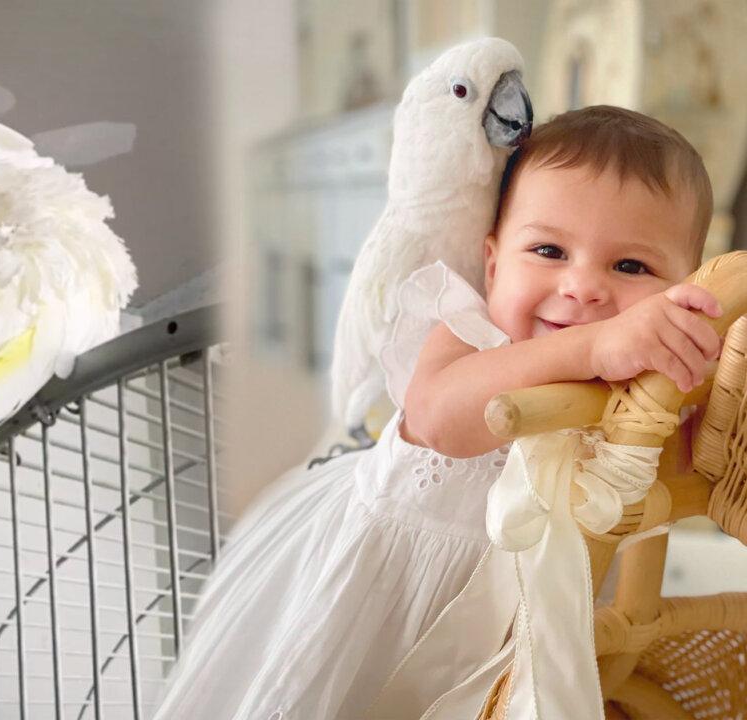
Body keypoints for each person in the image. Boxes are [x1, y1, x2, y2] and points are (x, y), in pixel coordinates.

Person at [152, 105, 718, 720]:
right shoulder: (468, 331)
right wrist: (592, 346)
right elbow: (443, 420)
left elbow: (693, 468)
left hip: (528, 617)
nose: (582, 286)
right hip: (381, 598)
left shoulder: (643, 383)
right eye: (549, 249)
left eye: (631, 266)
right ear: (495, 264)